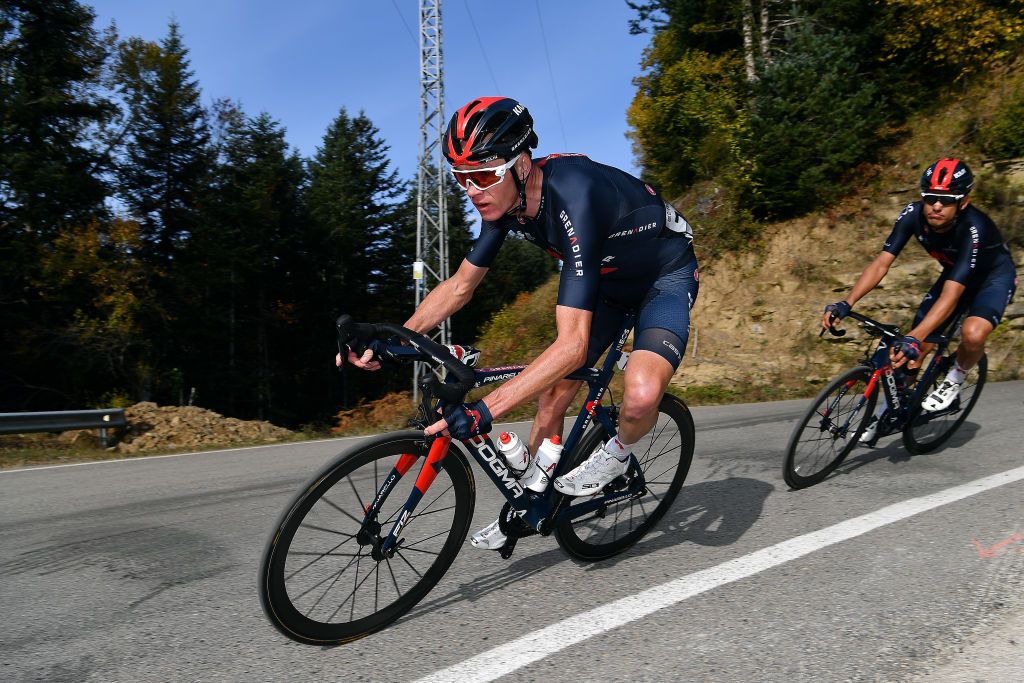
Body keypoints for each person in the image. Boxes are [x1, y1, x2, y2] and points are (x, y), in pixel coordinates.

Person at [339, 96, 699, 549]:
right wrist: (396, 336)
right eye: (462, 178)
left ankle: (619, 454)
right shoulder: (504, 204)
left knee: (641, 396)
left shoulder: (576, 195)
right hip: (609, 285)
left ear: (522, 164)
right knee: (553, 393)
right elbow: (459, 287)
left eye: (484, 175)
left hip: (664, 277)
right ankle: (536, 499)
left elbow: (571, 345)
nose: (473, 191)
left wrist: (487, 409)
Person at [822, 157, 1017, 443]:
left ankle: (954, 379)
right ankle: (889, 413)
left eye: (947, 200)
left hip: (992, 279)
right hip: (954, 275)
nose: (936, 206)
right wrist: (846, 303)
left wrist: (915, 335)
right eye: (931, 198)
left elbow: (952, 295)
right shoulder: (912, 214)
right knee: (909, 353)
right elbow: (881, 264)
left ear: (963, 202)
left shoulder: (974, 228)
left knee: (972, 333)